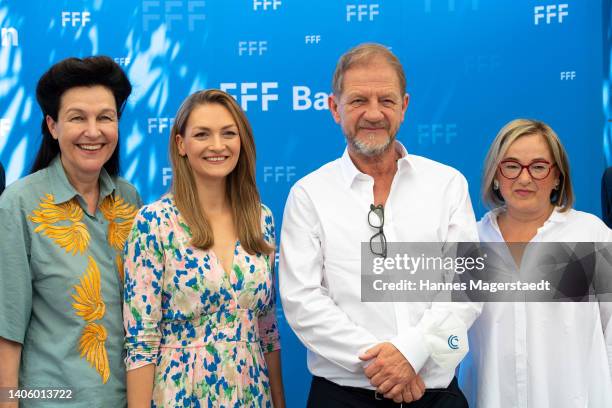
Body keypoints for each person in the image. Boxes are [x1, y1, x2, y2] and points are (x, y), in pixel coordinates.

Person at [279, 43, 481, 407]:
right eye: (358, 100)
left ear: (404, 106)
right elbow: (303, 302)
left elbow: (466, 288)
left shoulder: (448, 185)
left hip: (435, 394)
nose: (374, 113)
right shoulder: (309, 194)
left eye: (386, 101)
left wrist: (412, 354)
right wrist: (388, 365)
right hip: (342, 398)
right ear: (334, 108)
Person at [123, 89, 285, 407]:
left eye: (228, 133)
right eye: (202, 134)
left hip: (251, 394)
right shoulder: (154, 223)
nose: (217, 145)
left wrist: (279, 402)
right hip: (179, 395)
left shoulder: (261, 218)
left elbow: (267, 328)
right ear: (181, 144)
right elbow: (141, 340)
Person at [0, 56, 141, 407]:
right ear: (53, 126)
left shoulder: (129, 198)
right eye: (77, 117)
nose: (93, 131)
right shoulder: (19, 203)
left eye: (105, 118)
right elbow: (8, 329)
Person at [460, 119, 612, 407]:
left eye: (539, 167)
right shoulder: (470, 242)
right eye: (512, 165)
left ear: (558, 177)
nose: (525, 178)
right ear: (496, 174)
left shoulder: (592, 236)